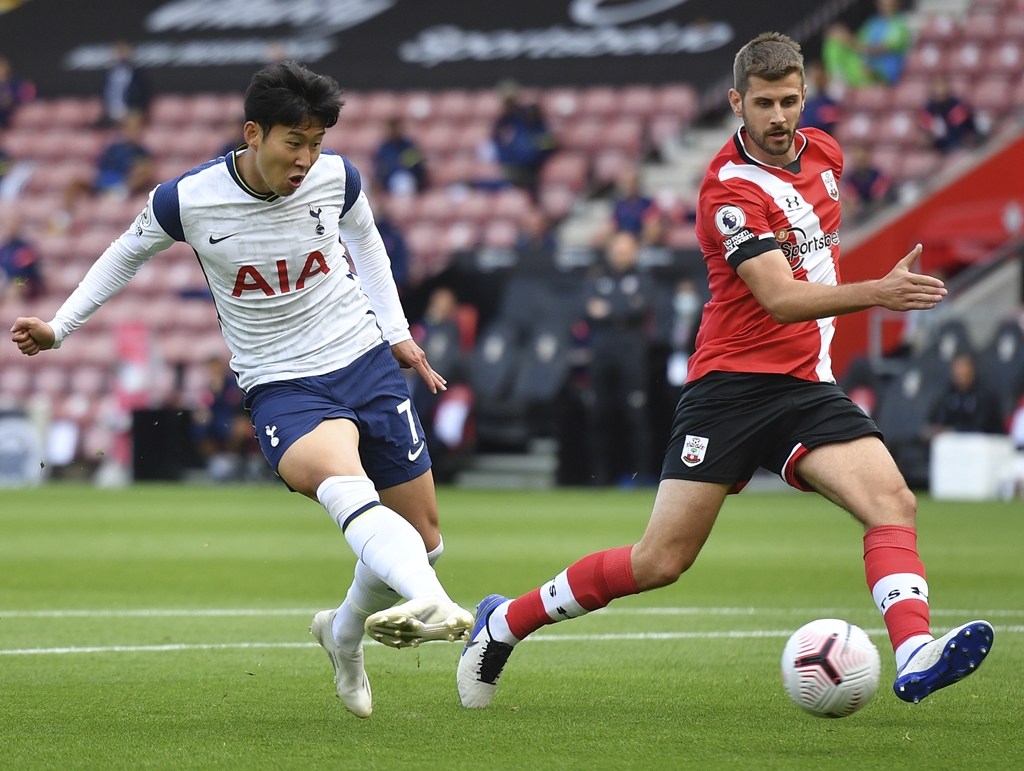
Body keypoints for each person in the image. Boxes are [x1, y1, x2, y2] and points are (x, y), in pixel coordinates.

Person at [457, 31, 992, 711]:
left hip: (805, 387)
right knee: (661, 561)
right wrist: (876, 292)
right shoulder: (729, 189)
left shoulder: (825, 153)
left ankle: (914, 651)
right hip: (729, 389)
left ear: (806, 98)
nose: (778, 116)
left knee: (892, 502)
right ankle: (504, 621)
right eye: (764, 102)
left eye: (790, 100)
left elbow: (813, 254)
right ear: (737, 101)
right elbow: (780, 297)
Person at [11, 61, 473, 719]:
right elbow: (123, 254)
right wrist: (59, 326)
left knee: (423, 535)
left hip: (362, 359)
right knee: (346, 481)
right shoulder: (187, 199)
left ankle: (343, 632)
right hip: (281, 381)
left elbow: (366, 241)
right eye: (294, 142)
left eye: (316, 142)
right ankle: (429, 598)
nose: (307, 158)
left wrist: (396, 331)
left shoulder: (337, 178)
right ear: (253, 132)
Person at [585, 230, 656, 487]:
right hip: (602, 354)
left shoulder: (642, 278)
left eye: (625, 250)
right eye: (616, 250)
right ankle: (600, 478)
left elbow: (642, 306)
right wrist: (623, 309)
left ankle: (641, 477)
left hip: (632, 354)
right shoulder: (597, 277)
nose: (620, 255)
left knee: (636, 415)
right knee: (599, 415)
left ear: (634, 252)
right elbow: (586, 308)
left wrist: (608, 309)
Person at [52, 111, 156, 231]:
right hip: (103, 183)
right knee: (75, 184)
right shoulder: (113, 148)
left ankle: (119, 193)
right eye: (129, 128)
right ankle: (64, 217)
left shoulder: (142, 151)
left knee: (144, 170)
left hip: (124, 185)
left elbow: (147, 171)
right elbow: (100, 168)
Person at [823, 0, 911, 88]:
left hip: (882, 75)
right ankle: (837, 82)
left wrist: (849, 40)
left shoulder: (900, 25)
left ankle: (839, 86)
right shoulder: (873, 23)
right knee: (833, 42)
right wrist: (842, 34)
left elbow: (879, 49)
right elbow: (858, 42)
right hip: (864, 68)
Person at [492, 84, 556, 200]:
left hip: (530, 171)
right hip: (513, 169)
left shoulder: (542, 129)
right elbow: (499, 142)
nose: (529, 111)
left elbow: (546, 146)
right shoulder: (512, 122)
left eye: (532, 107)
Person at [927, 353, 1004, 435]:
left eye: (964, 373)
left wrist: (954, 429)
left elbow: (980, 426)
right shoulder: (949, 393)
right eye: (957, 374)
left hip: (986, 441)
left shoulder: (985, 394)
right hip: (953, 441)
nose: (960, 374)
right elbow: (940, 419)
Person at [592, 166, 663, 247]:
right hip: (622, 238)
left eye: (632, 182)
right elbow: (611, 224)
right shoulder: (618, 205)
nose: (629, 185)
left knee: (654, 230)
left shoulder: (647, 203)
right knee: (599, 237)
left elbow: (651, 224)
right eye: (625, 182)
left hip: (640, 239)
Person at [918, 74, 981, 155]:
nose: (939, 90)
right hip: (942, 146)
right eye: (936, 88)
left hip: (961, 146)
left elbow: (956, 135)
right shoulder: (931, 107)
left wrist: (936, 144)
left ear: (948, 88)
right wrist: (927, 139)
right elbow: (924, 129)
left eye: (942, 87)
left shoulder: (957, 107)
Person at [98, 42, 151, 126]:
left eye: (124, 52)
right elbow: (104, 91)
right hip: (111, 111)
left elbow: (143, 92)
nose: (122, 56)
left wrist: (137, 109)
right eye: (119, 52)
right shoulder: (109, 73)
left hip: (132, 111)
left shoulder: (136, 73)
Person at [373, 118, 428, 195]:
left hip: (406, 180)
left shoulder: (408, 147)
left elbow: (417, 169)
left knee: (403, 183)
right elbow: (380, 170)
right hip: (388, 183)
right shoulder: (383, 149)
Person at [841, 143, 893, 225]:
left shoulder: (878, 176)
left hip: (881, 217)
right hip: (861, 222)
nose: (861, 163)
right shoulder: (850, 181)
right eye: (858, 160)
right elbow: (852, 208)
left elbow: (881, 202)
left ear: (868, 157)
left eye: (863, 159)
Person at [0, 208, 44, 299]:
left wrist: (12, 283)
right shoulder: (3, 248)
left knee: (13, 289)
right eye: (8, 225)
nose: (10, 227)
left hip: (24, 283)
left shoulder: (26, 249)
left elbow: (26, 275)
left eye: (13, 224)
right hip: (6, 282)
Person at [799, 61, 841, 137]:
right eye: (815, 78)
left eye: (821, 78)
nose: (818, 81)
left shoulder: (833, 102)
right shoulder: (803, 104)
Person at [0, 55, 35, 129]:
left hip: (14, 120)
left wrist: (13, 100)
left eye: (2, 67)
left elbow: (31, 99)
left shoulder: (18, 85)